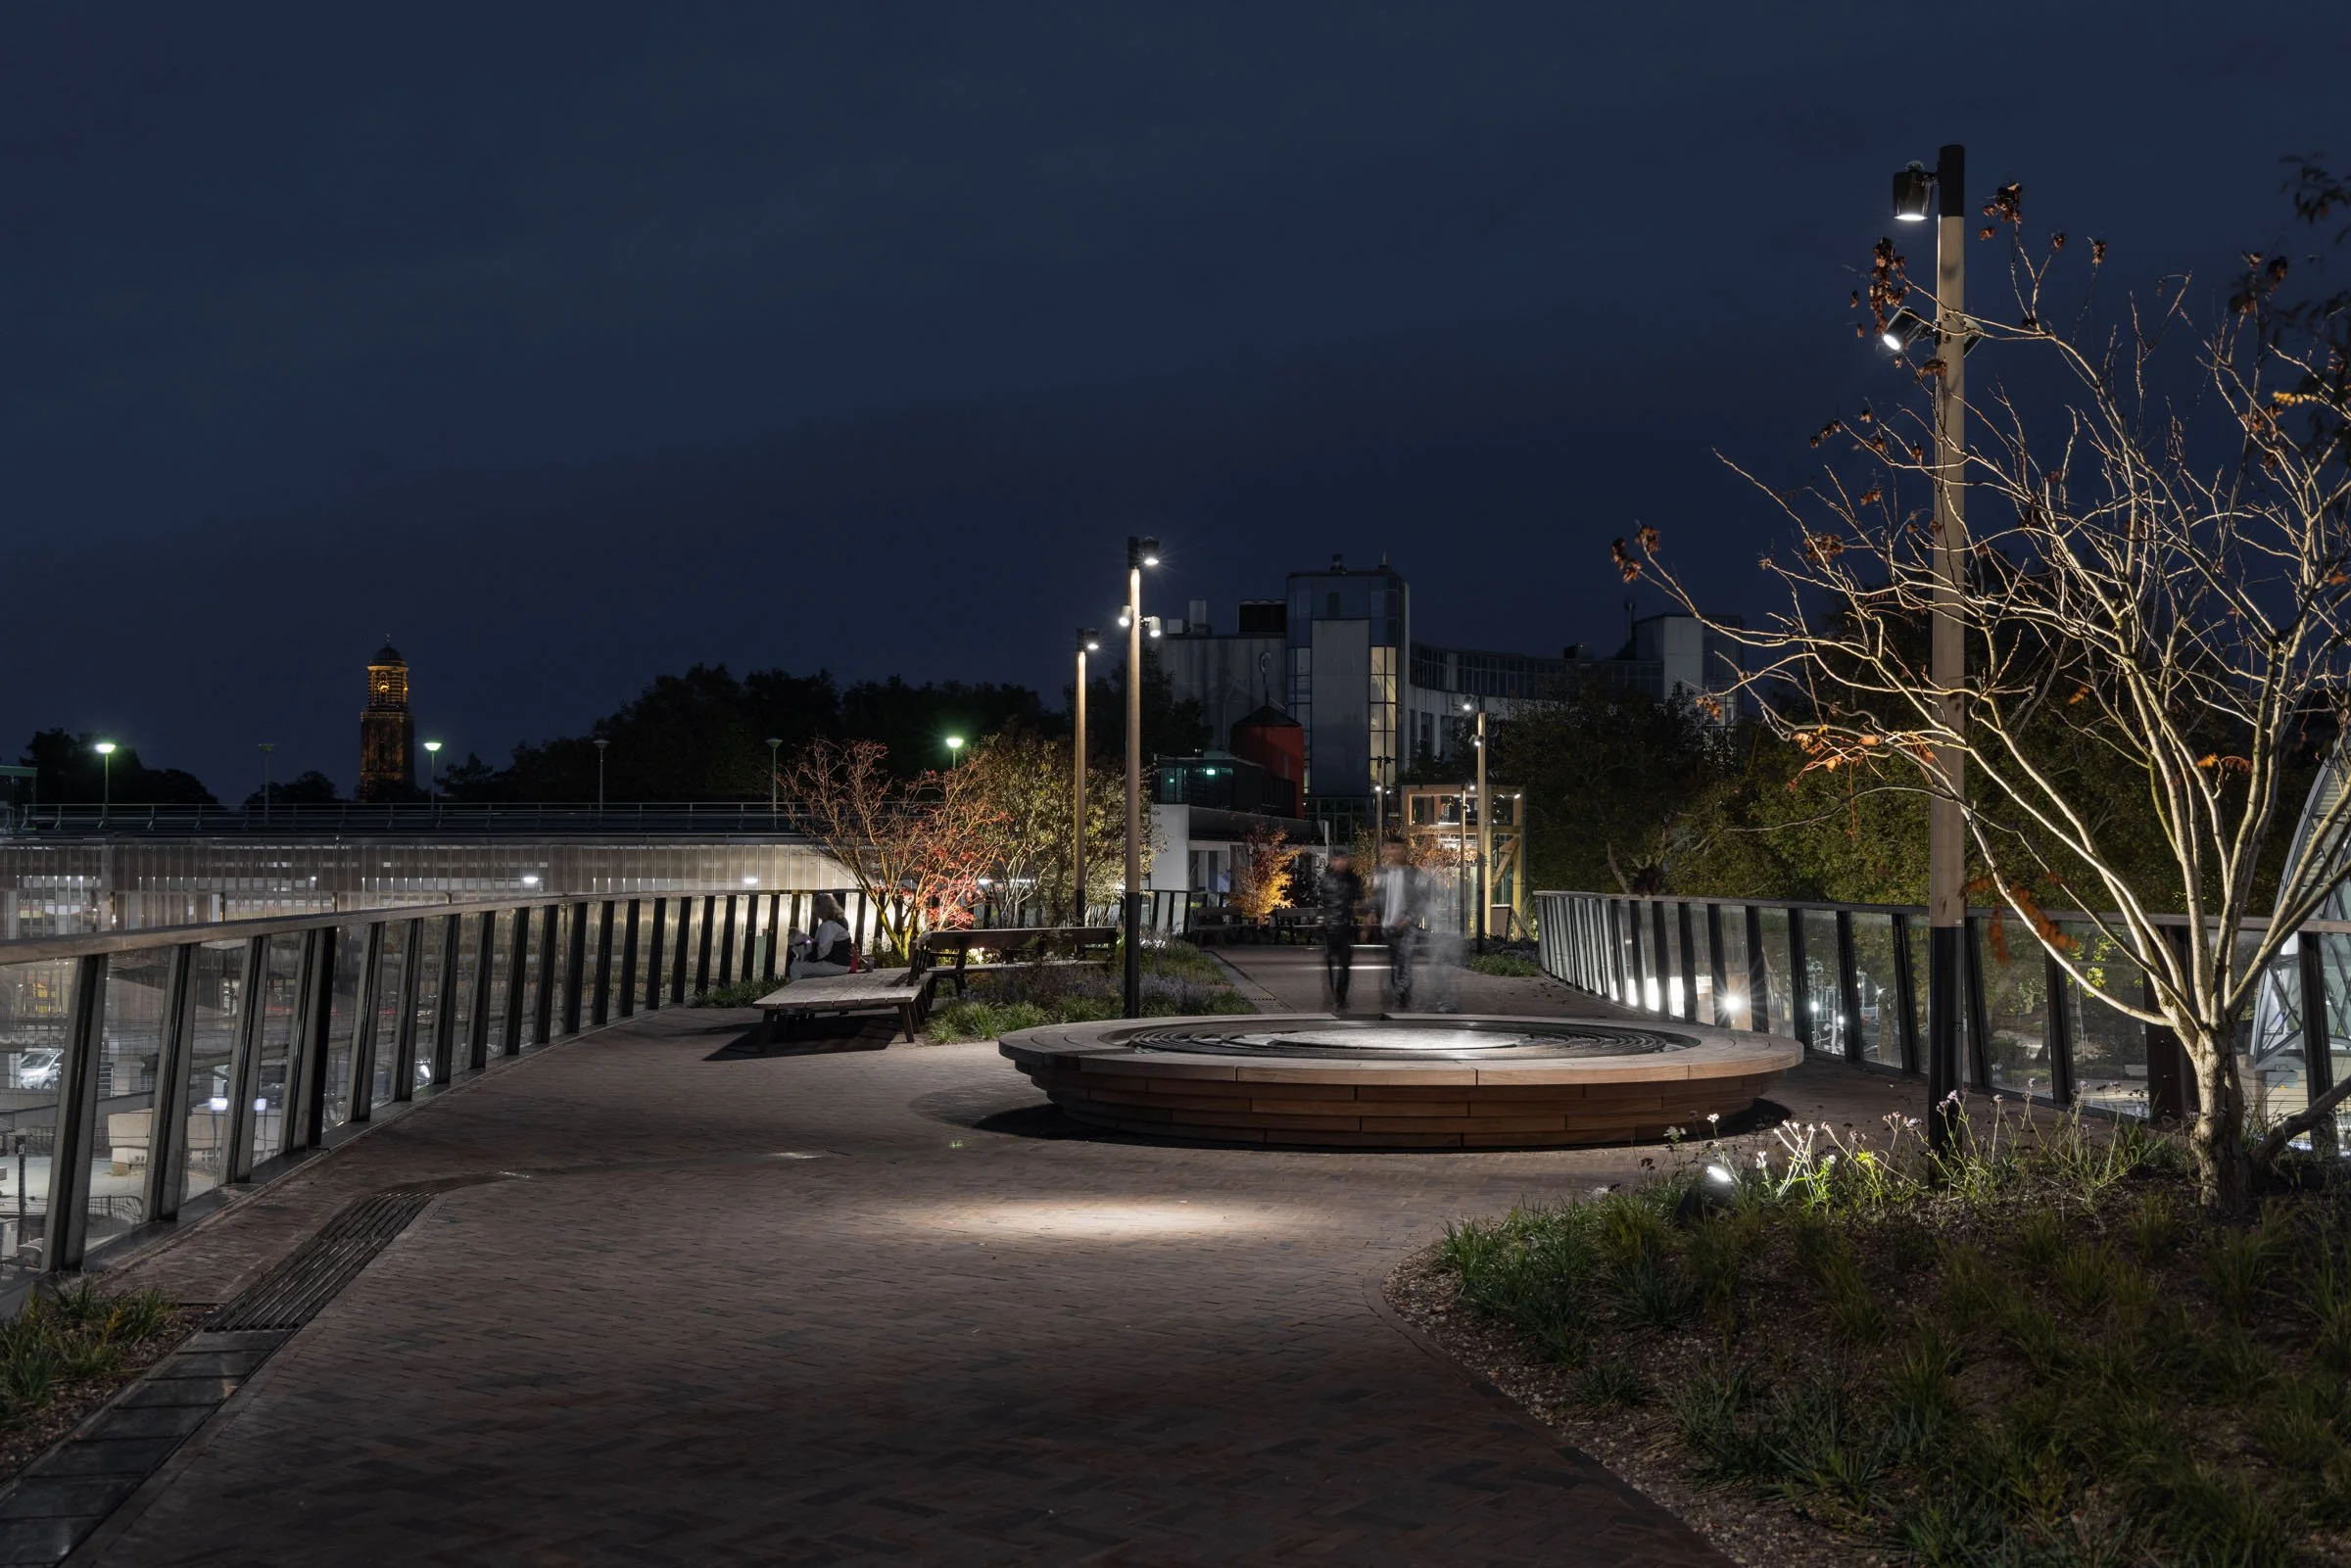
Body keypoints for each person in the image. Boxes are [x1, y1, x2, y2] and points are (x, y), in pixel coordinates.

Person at [1375, 838, 1422, 1011]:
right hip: (1389, 928)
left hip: (1406, 928)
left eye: (1396, 848)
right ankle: (1399, 999)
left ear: (1404, 850)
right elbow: (1377, 897)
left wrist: (1408, 918)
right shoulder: (1383, 873)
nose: (1393, 852)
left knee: (1405, 965)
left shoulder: (1413, 874)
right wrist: (1371, 913)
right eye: (1390, 848)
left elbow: (1421, 899)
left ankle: (1402, 1001)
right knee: (1395, 965)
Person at [1318, 847, 1365, 1011]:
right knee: (1330, 963)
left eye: (1344, 859)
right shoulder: (1326, 879)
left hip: (1345, 927)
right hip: (1329, 928)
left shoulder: (1352, 879)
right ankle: (1333, 995)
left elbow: (1359, 899)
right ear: (1332, 861)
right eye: (1337, 859)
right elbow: (1319, 901)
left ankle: (1341, 996)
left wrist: (1362, 919)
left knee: (1345, 964)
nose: (1341, 863)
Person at [787, 894, 855, 979]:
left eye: (815, 909)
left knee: (796, 967)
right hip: (843, 963)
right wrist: (808, 941)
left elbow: (822, 952)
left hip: (835, 965)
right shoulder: (840, 921)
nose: (814, 911)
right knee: (800, 964)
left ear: (821, 910)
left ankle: (798, 987)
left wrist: (807, 955)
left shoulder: (828, 926)